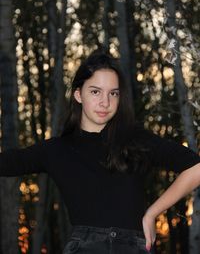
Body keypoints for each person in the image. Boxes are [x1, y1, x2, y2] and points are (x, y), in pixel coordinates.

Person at [0, 51, 200, 254]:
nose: (105, 102)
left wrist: (152, 213)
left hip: (135, 247)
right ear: (78, 94)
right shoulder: (56, 150)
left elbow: (196, 168)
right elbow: (8, 162)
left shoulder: (136, 140)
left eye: (113, 93)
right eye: (96, 92)